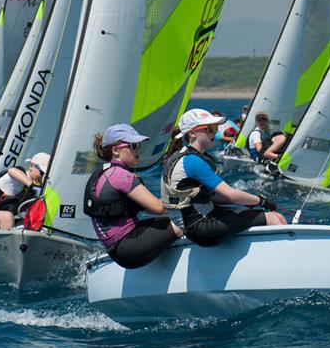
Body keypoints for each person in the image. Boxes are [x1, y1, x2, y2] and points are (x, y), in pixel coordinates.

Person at [162, 109, 286, 247]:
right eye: (209, 129)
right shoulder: (193, 161)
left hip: (198, 221)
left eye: (215, 129)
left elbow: (212, 197)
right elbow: (231, 195)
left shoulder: (182, 155)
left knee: (255, 214)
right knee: (275, 218)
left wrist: (247, 201)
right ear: (192, 133)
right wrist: (262, 201)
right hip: (200, 227)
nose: (214, 133)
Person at [84, 124, 183, 269]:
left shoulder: (105, 173)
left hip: (116, 250)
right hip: (128, 248)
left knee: (168, 220)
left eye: (139, 145)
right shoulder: (121, 175)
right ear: (116, 150)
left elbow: (147, 208)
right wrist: (190, 199)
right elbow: (159, 208)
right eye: (134, 146)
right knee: (183, 222)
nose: (138, 150)